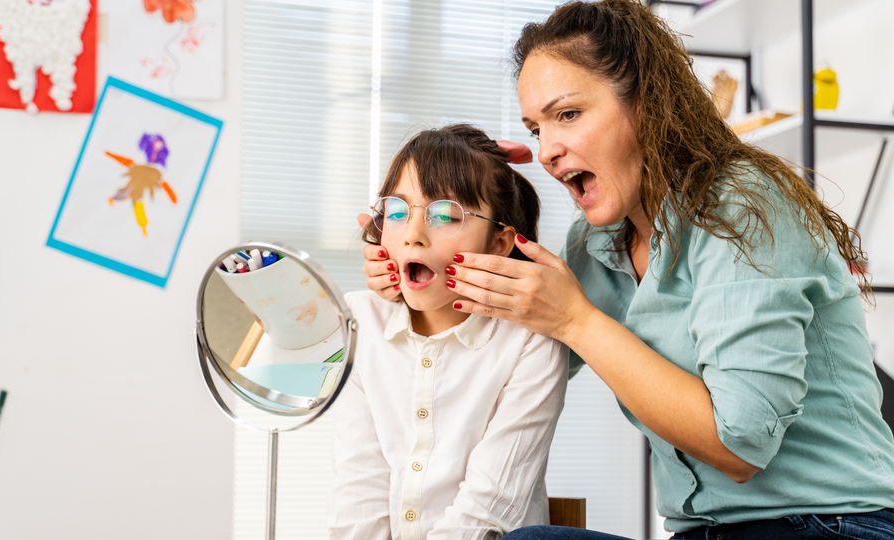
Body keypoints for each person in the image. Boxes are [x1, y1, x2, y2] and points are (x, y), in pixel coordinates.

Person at [360, 1, 894, 539]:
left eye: (566, 115)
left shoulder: (742, 205)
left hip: (833, 525)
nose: (547, 150)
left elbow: (741, 443)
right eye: (535, 128)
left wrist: (576, 320)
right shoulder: (594, 244)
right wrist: (423, 266)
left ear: (649, 105)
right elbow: (504, 360)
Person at [329, 124, 569, 540]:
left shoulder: (531, 337)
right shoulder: (358, 321)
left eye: (444, 216)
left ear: (499, 243)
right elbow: (358, 495)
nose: (413, 237)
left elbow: (488, 508)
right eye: (398, 212)